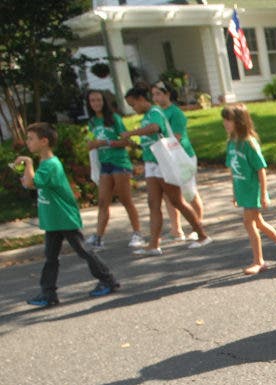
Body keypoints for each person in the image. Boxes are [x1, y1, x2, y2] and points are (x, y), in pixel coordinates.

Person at [14, 122, 120, 307]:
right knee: (50, 257)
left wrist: (28, 163)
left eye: (31, 138)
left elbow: (32, 183)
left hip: (63, 217)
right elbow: (33, 182)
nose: (27, 142)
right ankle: (48, 293)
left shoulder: (51, 164)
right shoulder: (45, 163)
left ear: (44, 141)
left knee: (83, 250)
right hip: (53, 219)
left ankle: (108, 280)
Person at [121, 86, 212, 256]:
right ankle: (154, 244)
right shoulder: (147, 115)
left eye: (133, 104)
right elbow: (149, 137)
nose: (133, 108)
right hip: (151, 162)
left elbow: (155, 128)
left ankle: (202, 234)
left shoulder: (154, 112)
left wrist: (131, 132)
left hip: (163, 162)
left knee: (176, 200)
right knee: (153, 203)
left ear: (141, 99)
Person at [221, 104, 276, 276]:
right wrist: (234, 192)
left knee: (250, 223)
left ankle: (259, 261)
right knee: (259, 223)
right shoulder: (231, 143)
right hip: (242, 190)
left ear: (239, 121)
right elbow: (233, 170)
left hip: (252, 190)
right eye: (224, 120)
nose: (225, 123)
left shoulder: (249, 143)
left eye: (229, 120)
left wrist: (263, 193)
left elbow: (261, 169)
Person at [83, 89, 144, 250]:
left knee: (125, 199)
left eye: (98, 100)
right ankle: (99, 236)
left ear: (104, 101)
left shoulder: (114, 119)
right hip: (104, 164)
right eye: (92, 101)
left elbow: (126, 141)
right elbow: (91, 142)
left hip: (119, 163)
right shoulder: (92, 122)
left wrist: (106, 143)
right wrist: (91, 144)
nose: (96, 103)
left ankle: (137, 232)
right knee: (103, 201)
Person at [151, 80, 204, 242]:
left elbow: (178, 137)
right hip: (167, 158)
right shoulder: (157, 113)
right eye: (153, 94)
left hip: (182, 156)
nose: (155, 97)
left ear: (167, 94)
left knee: (189, 192)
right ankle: (176, 229)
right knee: (170, 195)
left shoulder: (176, 113)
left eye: (158, 93)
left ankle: (198, 225)